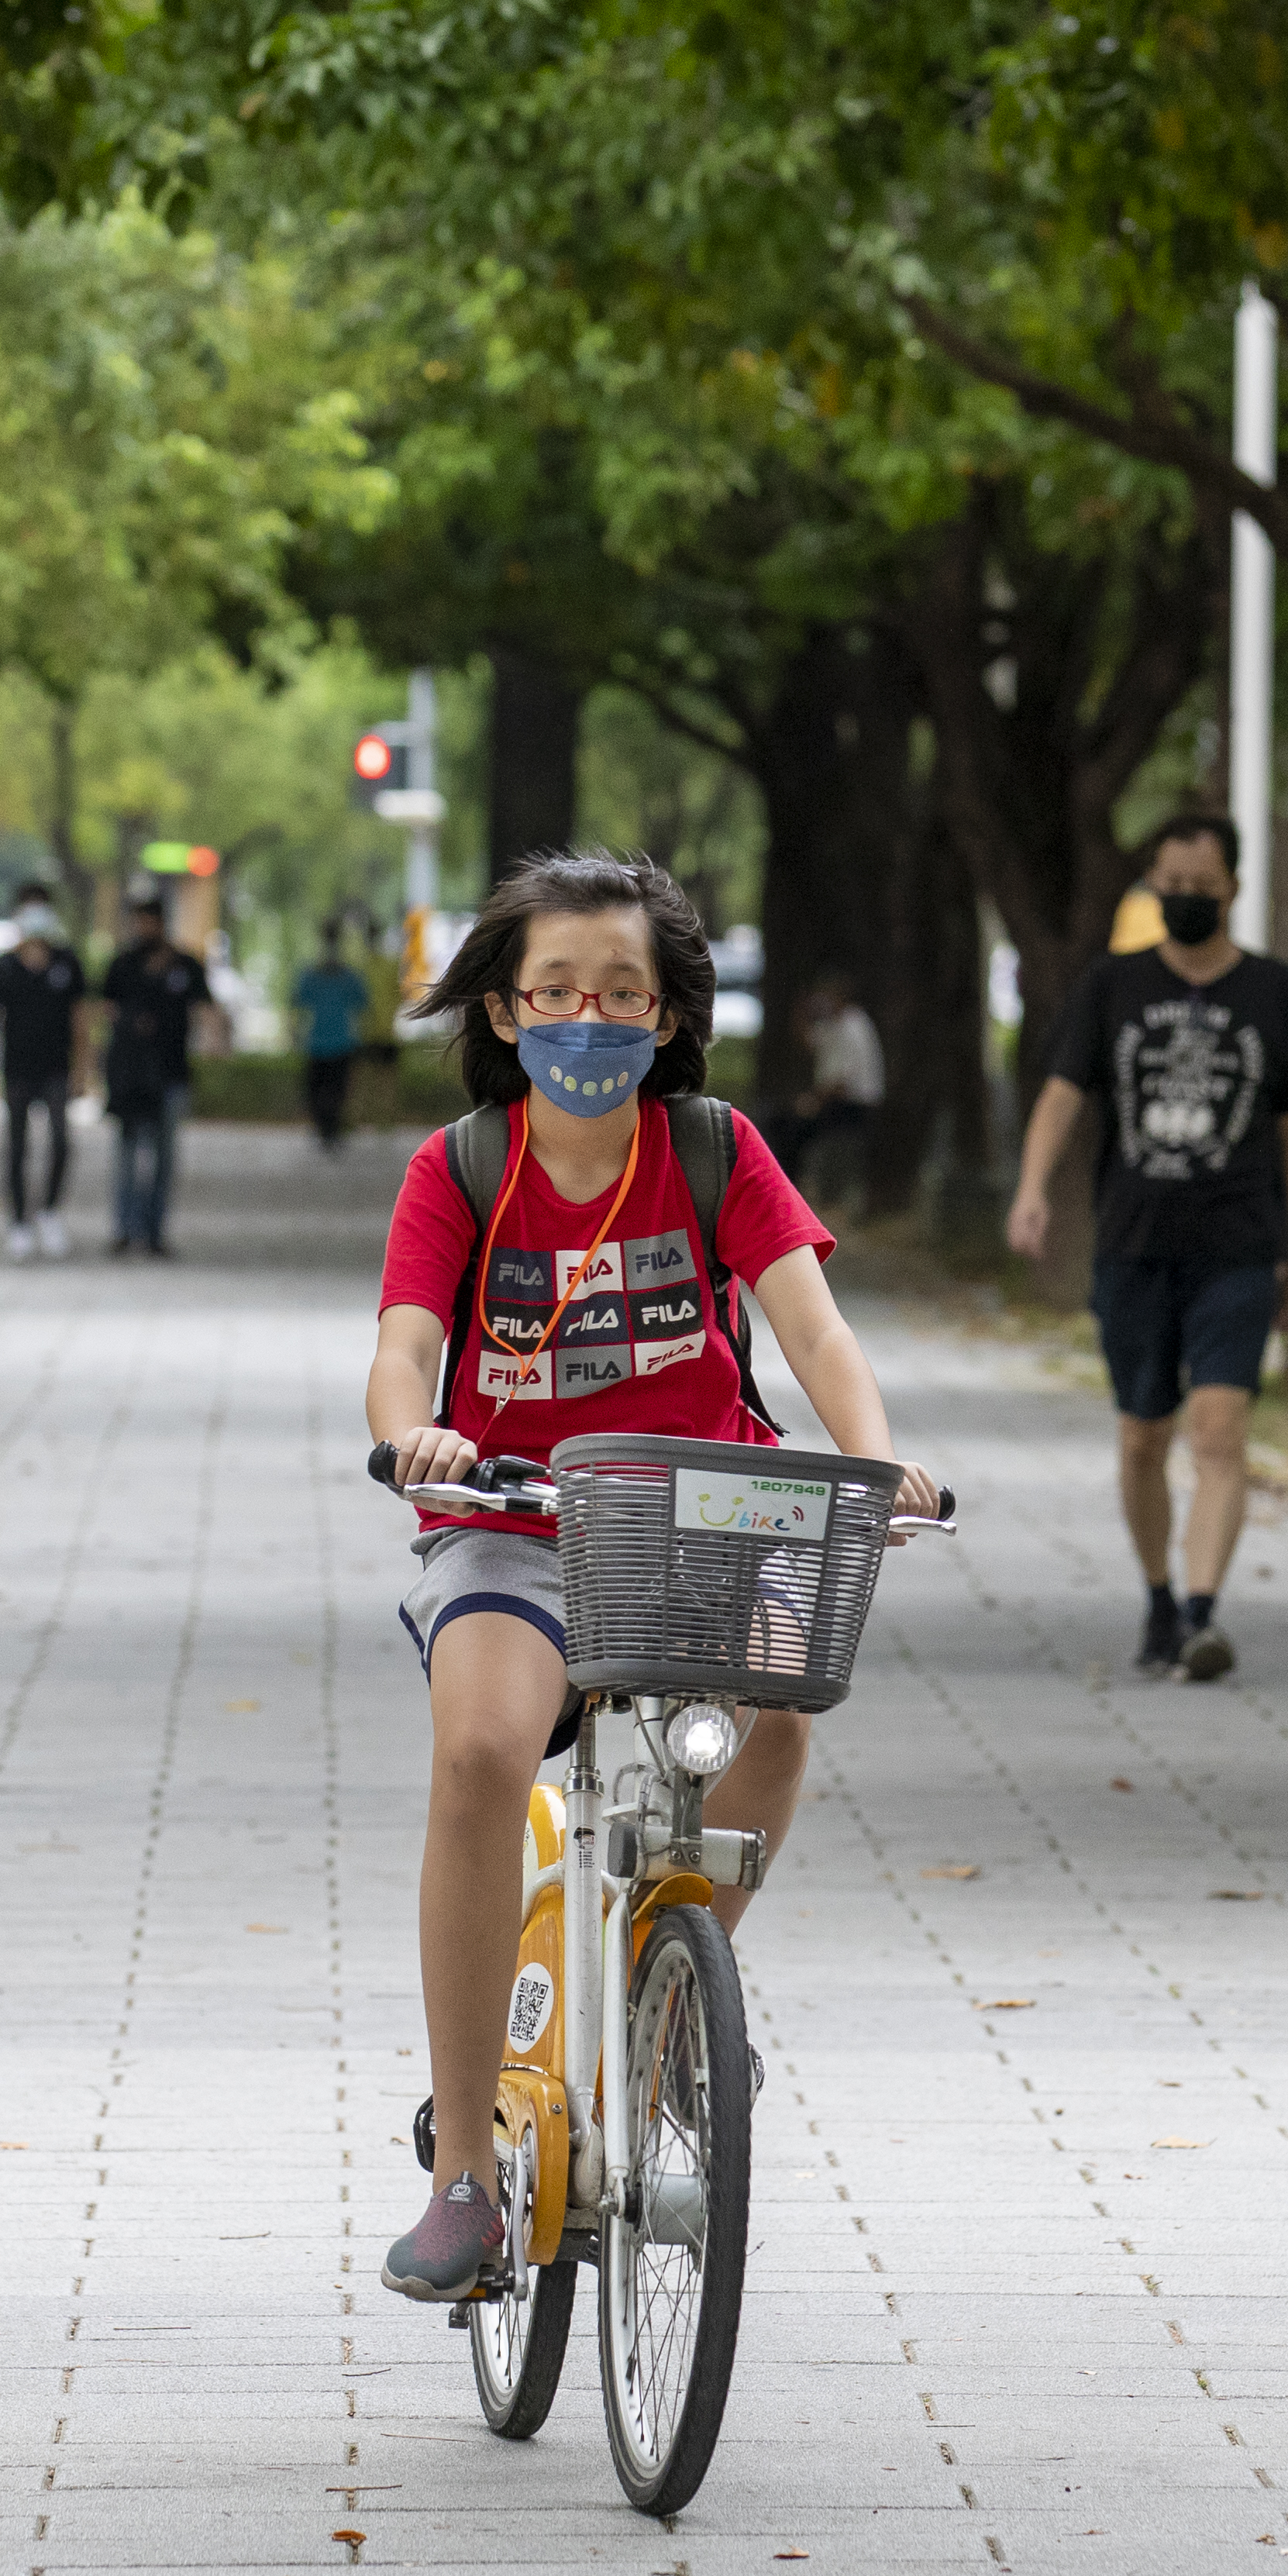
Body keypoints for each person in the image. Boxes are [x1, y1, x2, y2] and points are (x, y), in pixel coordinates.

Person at [361, 849, 938, 2306]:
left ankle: (667, 1995)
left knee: (783, 1722)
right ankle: (464, 2178)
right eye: (555, 990)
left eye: (622, 993)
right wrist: (411, 1434)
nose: (587, 1019)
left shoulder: (713, 1152)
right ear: (504, 1011)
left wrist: (878, 1463)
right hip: (515, 1514)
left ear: (670, 1015)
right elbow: (402, 1346)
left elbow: (815, 1336)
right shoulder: (460, 1169)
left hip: (705, 1511)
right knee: (484, 1749)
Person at [1005, 811, 1288, 1687]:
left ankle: (1203, 1613)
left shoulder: (1273, 994)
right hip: (1135, 1247)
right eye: (1169, 886)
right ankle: (1157, 1594)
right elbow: (1062, 1094)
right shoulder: (1113, 985)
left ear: (1233, 889)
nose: (1184, 900)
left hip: (1240, 1248)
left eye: (1200, 887)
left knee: (1219, 1431)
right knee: (1144, 1435)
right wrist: (1031, 1189)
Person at [98, 881, 216, 1258]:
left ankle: (154, 1231)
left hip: (170, 1072)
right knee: (128, 1154)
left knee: (164, 1158)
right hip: (130, 1074)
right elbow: (105, 1010)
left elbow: (205, 1009)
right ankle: (125, 1227)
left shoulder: (185, 964)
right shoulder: (123, 964)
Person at [0, 881, 87, 1262]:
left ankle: (49, 1210)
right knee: (17, 1147)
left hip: (56, 1068)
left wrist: (83, 1070)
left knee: (60, 1142)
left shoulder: (66, 963)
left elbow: (80, 1021)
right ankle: (19, 1223)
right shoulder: (3, 967)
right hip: (18, 1069)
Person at [789, 979, 884, 1205]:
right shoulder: (834, 1024)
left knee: (796, 1130)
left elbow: (843, 1081)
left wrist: (813, 1101)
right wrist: (800, 1013)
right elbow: (810, 1043)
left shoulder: (854, 1026)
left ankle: (813, 1193)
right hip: (837, 1102)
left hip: (854, 1105)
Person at [290, 920, 375, 1152]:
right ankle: (330, 1130)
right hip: (337, 1041)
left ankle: (327, 1130)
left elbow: (297, 1000)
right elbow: (363, 1004)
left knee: (321, 1090)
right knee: (334, 1090)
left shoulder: (315, 973)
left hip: (324, 1041)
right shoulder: (346, 974)